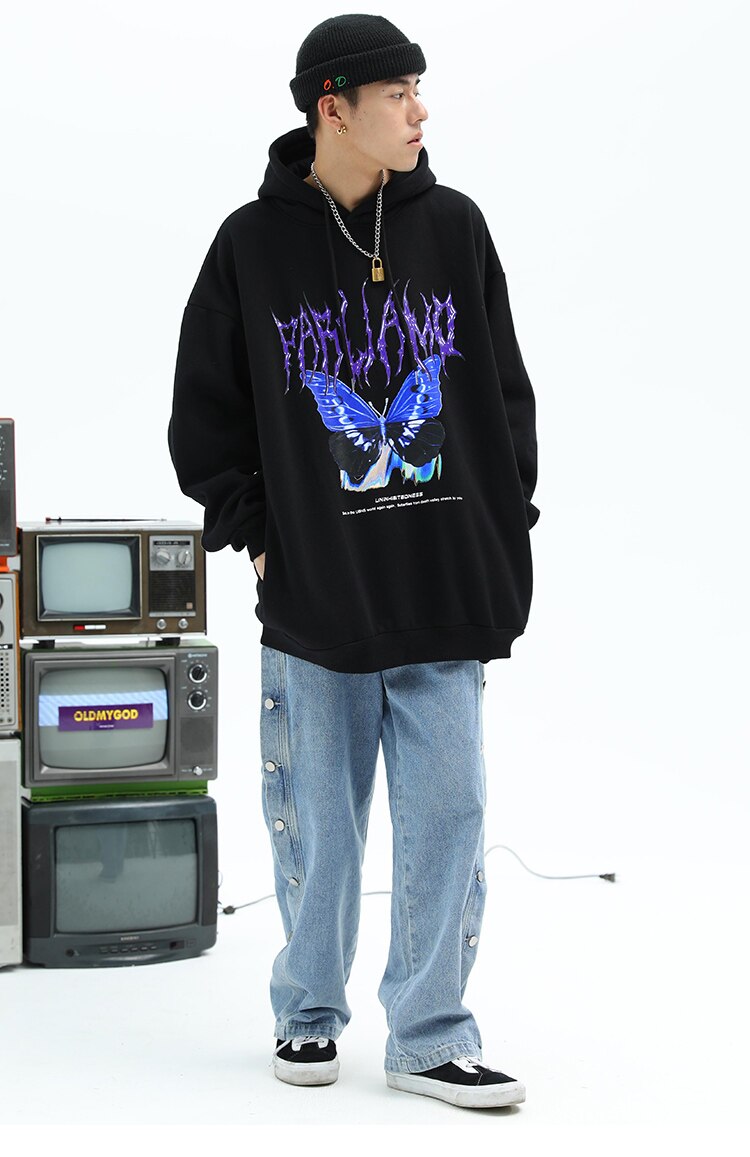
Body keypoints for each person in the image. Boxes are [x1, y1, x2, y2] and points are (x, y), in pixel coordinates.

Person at [168, 13, 539, 1111]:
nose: (422, 110)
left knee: (451, 816)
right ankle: (308, 1011)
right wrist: (258, 530)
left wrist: (503, 521)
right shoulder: (251, 245)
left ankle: (429, 1035)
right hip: (320, 594)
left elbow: (505, 394)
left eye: (421, 89)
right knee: (321, 828)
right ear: (334, 106)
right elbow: (204, 418)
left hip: (442, 580)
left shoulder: (455, 227)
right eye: (400, 93)